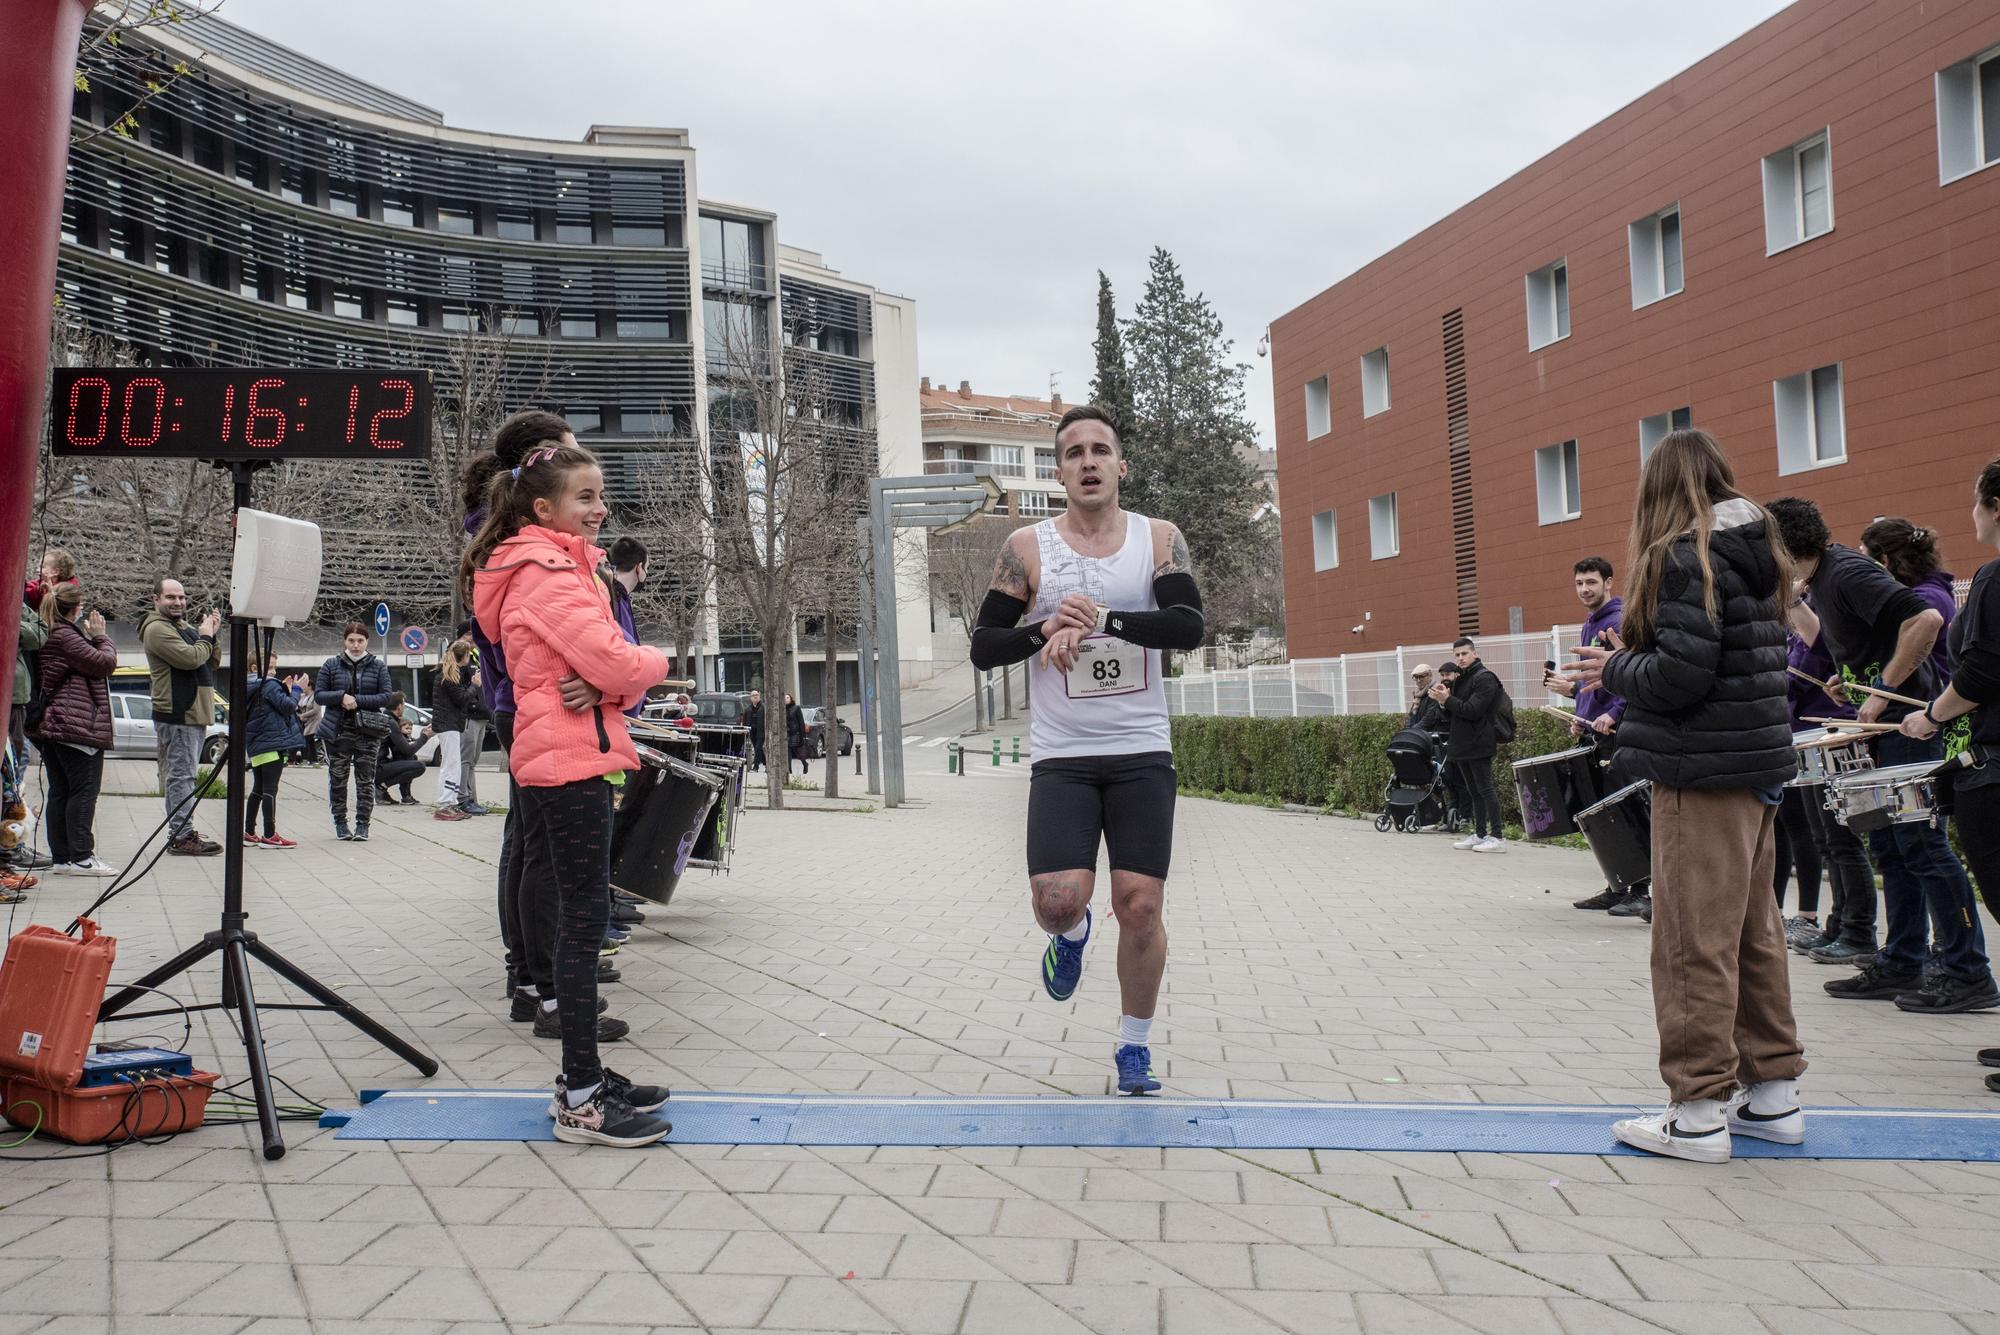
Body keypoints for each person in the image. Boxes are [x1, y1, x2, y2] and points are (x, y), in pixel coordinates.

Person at [1569, 428, 1805, 1162]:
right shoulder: (1763, 550)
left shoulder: (1683, 556)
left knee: (1689, 940)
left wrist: (1612, 671)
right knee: (1751, 933)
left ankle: (1697, 1108)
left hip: (1701, 771)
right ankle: (1772, 1094)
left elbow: (1679, 676)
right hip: (1758, 765)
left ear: (1660, 488)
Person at [969, 402, 1206, 1095]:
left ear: (1121, 466)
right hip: (1063, 757)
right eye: (1074, 453)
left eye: (1101, 449)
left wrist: (1105, 619)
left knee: (1140, 906)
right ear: (1060, 471)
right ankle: (1069, 941)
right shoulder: (1029, 548)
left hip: (1139, 750)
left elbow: (1187, 625)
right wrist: (1044, 630)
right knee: (1057, 900)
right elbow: (985, 647)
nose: (1090, 461)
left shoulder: (1157, 539)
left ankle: (1134, 1046)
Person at [470, 438, 674, 1147]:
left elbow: (604, 667)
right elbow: (618, 657)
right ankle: (583, 1099)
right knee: (583, 922)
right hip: (566, 760)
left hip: (571, 751)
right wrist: (649, 666)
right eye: (584, 498)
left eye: (600, 494)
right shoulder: (547, 575)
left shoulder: (557, 567)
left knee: (581, 916)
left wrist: (613, 679)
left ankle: (582, 1076)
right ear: (543, 508)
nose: (599, 509)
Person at [1770, 496, 1996, 1014]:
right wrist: (1846, 678)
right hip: (1882, 731)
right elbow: (1849, 640)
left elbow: (1926, 620)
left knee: (1922, 848)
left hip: (1910, 727)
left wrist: (1880, 690)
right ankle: (1902, 959)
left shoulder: (1846, 570)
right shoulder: (1825, 578)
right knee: (1891, 850)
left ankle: (1968, 971)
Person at [463, 411, 615, 1018]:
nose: (596, 504)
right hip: (541, 706)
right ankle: (545, 985)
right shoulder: (525, 552)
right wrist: (621, 672)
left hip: (538, 702)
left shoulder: (526, 542)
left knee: (531, 846)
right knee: (543, 855)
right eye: (580, 486)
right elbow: (595, 647)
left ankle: (538, 979)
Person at [1899, 457, 2000, 1090]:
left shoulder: (1994, 579)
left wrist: (1932, 716)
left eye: (1975, 501)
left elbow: (1986, 670)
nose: (1972, 514)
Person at [1786, 626, 1877, 964]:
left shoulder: (1821, 621)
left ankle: (1858, 931)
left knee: (1842, 840)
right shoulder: (1800, 627)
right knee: (1824, 840)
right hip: (1808, 737)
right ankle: (1837, 924)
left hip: (1834, 732)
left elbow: (1804, 673)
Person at [1548, 557, 1634, 910]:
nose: (1585, 589)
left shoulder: (1616, 621)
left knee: (1623, 811)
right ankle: (1617, 886)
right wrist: (1580, 715)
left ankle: (1641, 892)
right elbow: (1593, 683)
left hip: (1616, 735)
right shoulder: (1591, 622)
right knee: (1602, 815)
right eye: (1580, 583)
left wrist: (1612, 715)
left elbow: (1628, 677)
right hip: (1595, 732)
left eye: (1591, 583)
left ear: (1609, 583)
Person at [32, 584, 118, 876]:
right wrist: (101, 636)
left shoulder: (53, 633)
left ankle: (62, 858)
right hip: (76, 723)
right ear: (76, 608)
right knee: (84, 789)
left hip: (56, 722)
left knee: (61, 790)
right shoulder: (66, 635)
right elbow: (104, 664)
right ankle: (81, 856)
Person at [139, 577, 222, 856]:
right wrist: (206, 636)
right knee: (182, 777)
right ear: (156, 599)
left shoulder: (181, 626)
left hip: (192, 711)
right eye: (171, 597)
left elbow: (210, 659)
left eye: (182, 597)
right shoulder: (157, 630)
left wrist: (212, 633)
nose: (178, 602)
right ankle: (181, 836)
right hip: (178, 712)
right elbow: (191, 658)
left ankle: (183, 832)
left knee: (185, 775)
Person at [314, 621, 394, 841]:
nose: (356, 645)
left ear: (367, 641)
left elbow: (386, 696)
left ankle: (363, 825)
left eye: (360, 641)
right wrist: (340, 697)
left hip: (368, 730)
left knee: (365, 779)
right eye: (352, 640)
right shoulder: (331, 665)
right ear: (345, 641)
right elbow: (319, 694)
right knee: (338, 778)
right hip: (338, 729)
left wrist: (356, 700)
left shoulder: (378, 666)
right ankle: (340, 823)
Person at [1432, 638, 1507, 853]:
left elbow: (1473, 710)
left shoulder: (1484, 678)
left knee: (1485, 789)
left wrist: (1448, 700)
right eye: (1457, 655)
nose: (1460, 658)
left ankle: (1498, 837)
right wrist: (1442, 700)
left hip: (1479, 742)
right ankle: (1481, 833)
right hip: (1462, 742)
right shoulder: (1460, 679)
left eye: (1464, 654)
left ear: (1474, 653)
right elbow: (1453, 712)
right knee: (1474, 791)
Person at [241, 652, 303, 849]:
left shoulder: (247, 686)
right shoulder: (267, 684)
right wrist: (297, 689)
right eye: (270, 668)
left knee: (258, 788)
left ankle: (249, 832)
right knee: (270, 789)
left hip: (257, 743)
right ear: (254, 668)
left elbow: (268, 707)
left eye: (275, 668)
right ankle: (270, 835)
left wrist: (284, 687)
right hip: (272, 741)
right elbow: (287, 706)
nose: (273, 672)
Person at [431, 642, 474, 822]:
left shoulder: (450, 674)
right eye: (468, 655)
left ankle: (451, 801)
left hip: (450, 724)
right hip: (448, 725)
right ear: (463, 656)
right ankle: (444, 804)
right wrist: (475, 685)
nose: (470, 659)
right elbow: (462, 698)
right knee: (450, 765)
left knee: (454, 766)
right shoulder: (448, 677)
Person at [452, 623, 492, 816]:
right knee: (465, 760)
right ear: (459, 637)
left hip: (481, 715)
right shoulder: (457, 660)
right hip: (468, 716)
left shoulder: (476, 656)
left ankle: (471, 798)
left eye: (474, 635)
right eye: (468, 634)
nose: (472, 638)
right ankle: (462, 799)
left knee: (473, 760)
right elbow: (459, 690)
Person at [374, 694, 426, 805]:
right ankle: (381, 786)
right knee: (419, 766)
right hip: (377, 768)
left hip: (374, 766)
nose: (404, 708)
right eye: (403, 705)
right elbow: (407, 750)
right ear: (399, 707)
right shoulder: (391, 722)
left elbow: (402, 751)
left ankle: (405, 796)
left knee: (412, 758)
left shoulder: (387, 719)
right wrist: (425, 737)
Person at [784, 692, 807, 774]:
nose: (785, 699)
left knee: (798, 752)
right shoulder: (782, 709)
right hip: (787, 733)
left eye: (787, 698)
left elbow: (801, 721)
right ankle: (789, 770)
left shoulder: (796, 708)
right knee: (788, 752)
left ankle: (805, 764)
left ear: (790, 699)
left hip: (796, 733)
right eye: (784, 698)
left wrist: (803, 735)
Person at [745, 689, 766, 771]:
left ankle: (756, 766)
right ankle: (766, 762)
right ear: (751, 698)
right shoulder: (748, 709)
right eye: (753, 695)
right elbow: (745, 720)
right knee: (758, 749)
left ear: (759, 696)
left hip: (761, 732)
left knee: (757, 748)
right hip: (752, 732)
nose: (755, 697)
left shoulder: (763, 708)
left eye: (756, 695)